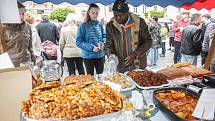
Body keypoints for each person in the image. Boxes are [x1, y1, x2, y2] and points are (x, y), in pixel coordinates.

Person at [105, 0, 152, 72]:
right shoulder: (110, 26)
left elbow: (148, 41)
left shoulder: (140, 22)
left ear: (127, 13)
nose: (118, 18)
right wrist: (111, 57)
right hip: (120, 67)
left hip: (138, 66)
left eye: (121, 15)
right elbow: (108, 45)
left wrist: (135, 54)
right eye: (115, 15)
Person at [3, 2, 35, 67]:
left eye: (23, 14)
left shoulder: (27, 27)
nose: (21, 17)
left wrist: (33, 61)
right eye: (18, 14)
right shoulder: (3, 28)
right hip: (10, 66)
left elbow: (30, 47)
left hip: (27, 63)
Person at [76, 3, 105, 75]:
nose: (95, 15)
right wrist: (91, 47)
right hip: (88, 56)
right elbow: (78, 42)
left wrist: (103, 43)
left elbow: (104, 36)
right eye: (93, 13)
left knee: (101, 76)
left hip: (100, 55)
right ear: (88, 13)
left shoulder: (100, 24)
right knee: (90, 77)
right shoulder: (83, 25)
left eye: (96, 13)